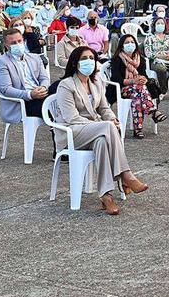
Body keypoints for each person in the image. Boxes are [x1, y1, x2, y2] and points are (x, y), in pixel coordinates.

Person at [54, 46, 148, 214]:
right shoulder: (66, 85)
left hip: (96, 132)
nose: (89, 61)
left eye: (91, 58)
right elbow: (71, 118)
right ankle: (126, 175)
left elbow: (104, 108)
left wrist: (111, 118)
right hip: (72, 132)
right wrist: (102, 124)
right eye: (84, 58)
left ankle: (106, 196)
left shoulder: (96, 82)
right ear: (75, 63)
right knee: (106, 128)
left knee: (102, 142)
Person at [110, 34, 165, 138]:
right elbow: (116, 79)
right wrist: (133, 81)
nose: (130, 44)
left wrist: (144, 79)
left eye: (132, 42)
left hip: (137, 90)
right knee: (139, 88)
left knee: (138, 95)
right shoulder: (117, 59)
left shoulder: (140, 59)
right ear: (122, 46)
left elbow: (144, 75)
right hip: (121, 89)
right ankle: (152, 111)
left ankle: (138, 129)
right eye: (127, 43)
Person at [0, 28, 50, 121]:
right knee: (55, 109)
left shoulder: (35, 57)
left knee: (60, 87)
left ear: (23, 41)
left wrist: (43, 88)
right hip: (23, 103)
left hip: (40, 95)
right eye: (13, 43)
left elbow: (44, 78)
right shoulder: (1, 62)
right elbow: (6, 89)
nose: (18, 45)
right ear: (7, 46)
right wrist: (30, 94)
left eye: (19, 41)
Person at [143, 17, 169, 96]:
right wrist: (161, 56)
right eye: (158, 23)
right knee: (161, 69)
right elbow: (148, 53)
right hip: (157, 61)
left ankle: (167, 86)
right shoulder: (150, 38)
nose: (160, 25)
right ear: (154, 26)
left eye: (162, 23)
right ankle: (163, 91)